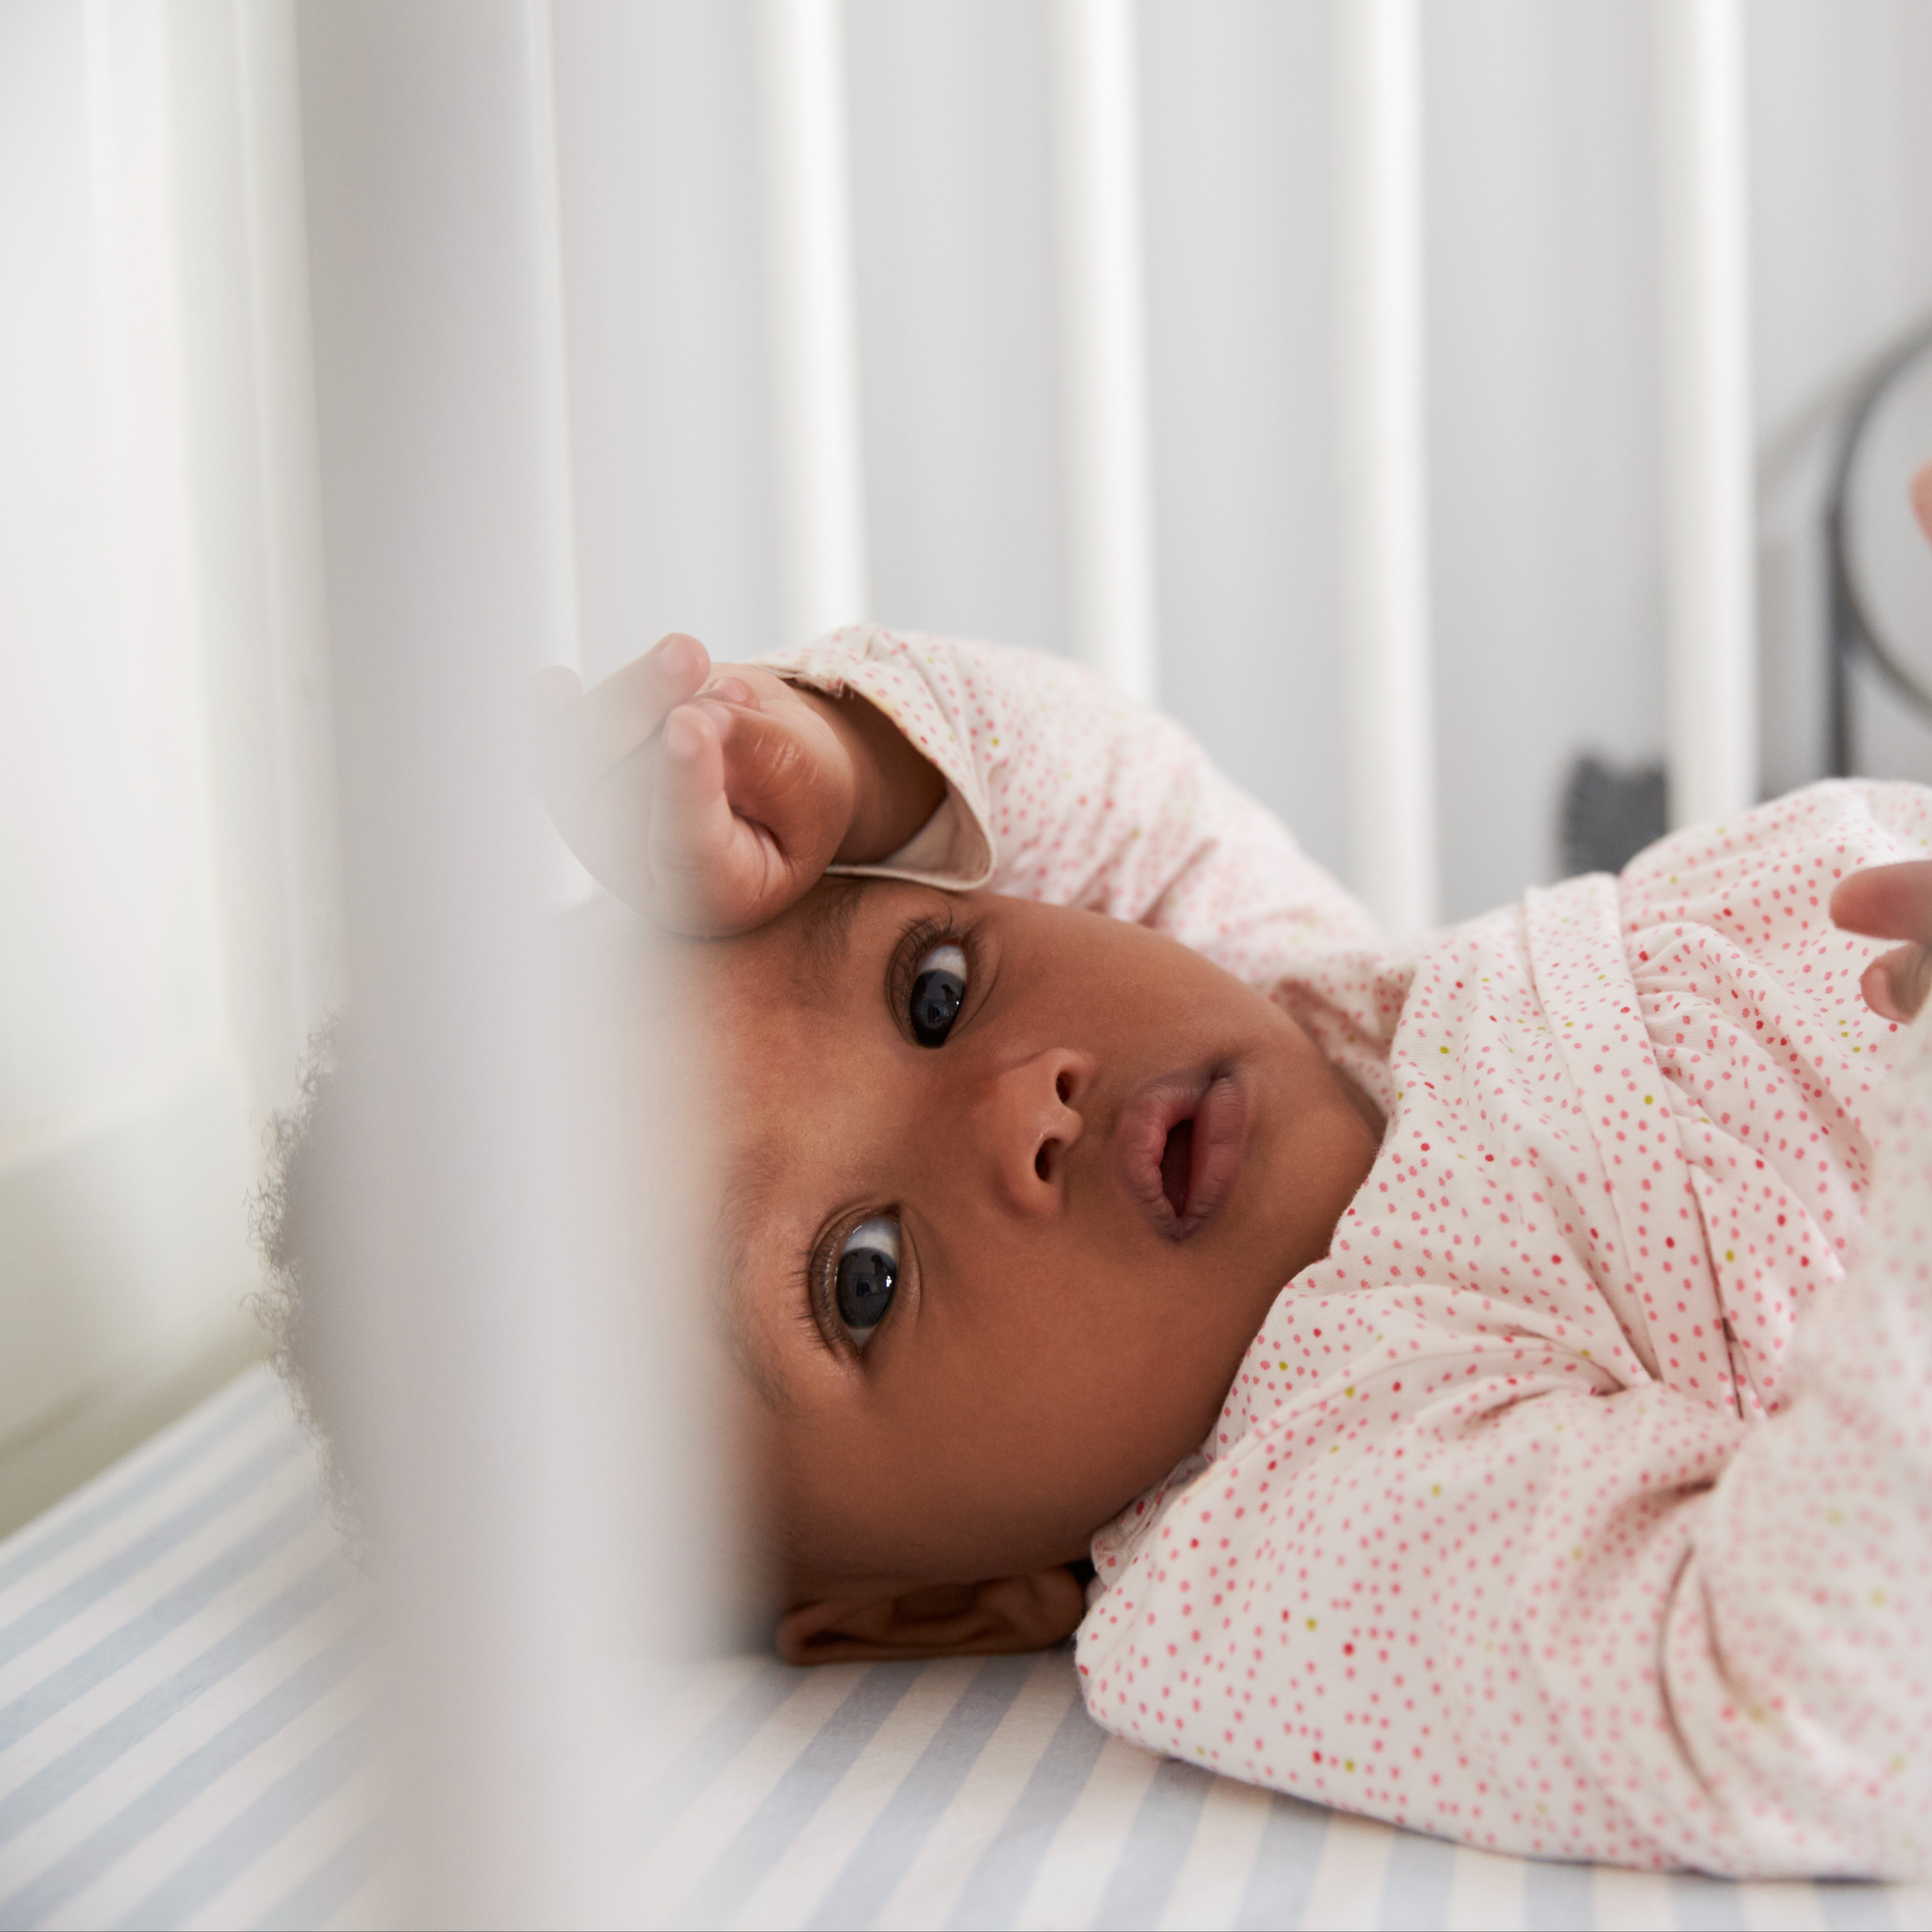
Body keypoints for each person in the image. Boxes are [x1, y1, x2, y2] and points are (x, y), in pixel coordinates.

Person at [272, 466, 1932, 1877]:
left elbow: (1094, 783)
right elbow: (1788, 1700)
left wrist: (846, 760)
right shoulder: (1285, 1529)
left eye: (932, 986)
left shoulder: (1304, 995)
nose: (1020, 1102)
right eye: (865, 1275)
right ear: (940, 1605)